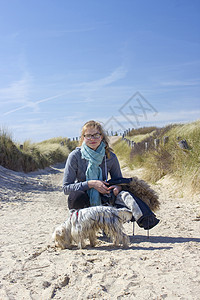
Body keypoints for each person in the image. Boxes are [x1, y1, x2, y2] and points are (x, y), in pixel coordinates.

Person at [63, 120, 159, 230]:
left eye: (96, 135)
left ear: (102, 136)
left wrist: (117, 187)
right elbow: (66, 188)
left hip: (104, 195)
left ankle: (107, 224)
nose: (92, 139)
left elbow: (119, 180)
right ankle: (81, 226)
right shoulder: (75, 156)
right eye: (88, 136)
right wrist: (91, 184)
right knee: (76, 196)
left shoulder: (110, 156)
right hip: (84, 199)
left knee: (124, 195)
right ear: (83, 138)